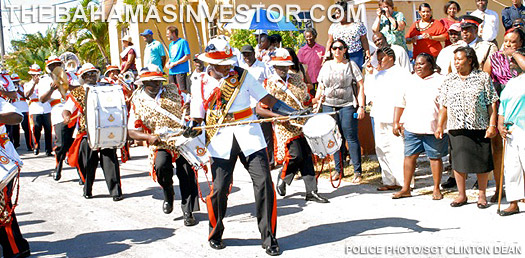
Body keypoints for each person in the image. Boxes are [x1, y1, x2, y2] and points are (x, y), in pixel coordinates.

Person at [187, 37, 307, 256]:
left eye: (228, 61)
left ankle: (269, 237)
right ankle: (215, 232)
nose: (228, 65)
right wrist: (191, 127)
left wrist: (291, 111)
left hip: (249, 136)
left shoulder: (242, 76)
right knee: (220, 189)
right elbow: (197, 117)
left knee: (264, 184)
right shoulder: (200, 83)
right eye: (223, 63)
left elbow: (267, 99)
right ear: (211, 63)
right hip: (221, 139)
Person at [127, 65, 199, 226]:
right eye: (152, 82)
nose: (157, 84)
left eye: (159, 81)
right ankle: (168, 191)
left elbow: (191, 105)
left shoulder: (173, 90)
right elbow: (131, 131)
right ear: (144, 83)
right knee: (161, 167)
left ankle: (188, 211)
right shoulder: (137, 101)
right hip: (159, 141)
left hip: (181, 139)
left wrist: (189, 109)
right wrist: (147, 137)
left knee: (187, 173)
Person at [258, 48, 328, 203]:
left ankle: (311, 191)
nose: (283, 69)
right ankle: (283, 176)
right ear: (274, 66)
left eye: (286, 66)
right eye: (280, 66)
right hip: (285, 126)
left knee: (307, 157)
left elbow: (306, 99)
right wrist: (278, 117)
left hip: (303, 122)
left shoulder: (297, 78)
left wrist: (317, 100)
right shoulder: (268, 84)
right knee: (295, 155)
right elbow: (261, 109)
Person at [436, 46, 499, 209]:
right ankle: (461, 194)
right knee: (459, 161)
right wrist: (439, 125)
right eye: (455, 59)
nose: (456, 63)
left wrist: (492, 124)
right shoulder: (449, 79)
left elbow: (491, 102)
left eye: (460, 59)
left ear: (470, 60)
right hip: (456, 126)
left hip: (479, 126)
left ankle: (482, 195)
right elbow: (444, 105)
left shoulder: (483, 77)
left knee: (482, 161)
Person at [63, 63, 123, 201]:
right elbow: (67, 109)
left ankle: (115, 192)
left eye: (93, 73)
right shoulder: (77, 92)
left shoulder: (107, 88)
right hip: (87, 132)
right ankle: (87, 188)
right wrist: (66, 116)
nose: (91, 76)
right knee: (88, 162)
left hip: (107, 130)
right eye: (87, 74)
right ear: (82, 77)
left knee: (110, 161)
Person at [392, 53, 448, 200]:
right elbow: (400, 103)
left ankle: (436, 188)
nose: (418, 66)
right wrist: (396, 122)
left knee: (434, 158)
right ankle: (405, 188)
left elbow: (444, 106)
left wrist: (440, 126)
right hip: (412, 127)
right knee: (409, 157)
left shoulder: (441, 80)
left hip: (433, 127)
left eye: (421, 64)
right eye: (416, 63)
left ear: (431, 65)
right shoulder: (409, 80)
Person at [483, 28, 525, 202]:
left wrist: (515, 54)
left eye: (512, 41)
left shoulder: (522, 57)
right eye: (506, 40)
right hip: (501, 107)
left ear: (521, 43)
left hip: (521, 108)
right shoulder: (494, 58)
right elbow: (485, 82)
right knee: (500, 151)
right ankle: (501, 188)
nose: (507, 44)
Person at [314, 39, 365, 183]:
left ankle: (357, 171)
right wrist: (317, 100)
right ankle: (338, 170)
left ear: (345, 50)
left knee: (350, 136)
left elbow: (361, 85)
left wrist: (361, 106)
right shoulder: (326, 66)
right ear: (331, 50)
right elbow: (321, 85)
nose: (337, 51)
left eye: (340, 48)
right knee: (334, 138)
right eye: (334, 48)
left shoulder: (351, 65)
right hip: (329, 105)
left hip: (347, 104)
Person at [365, 46, 413, 190]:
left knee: (398, 150)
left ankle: (404, 182)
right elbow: (370, 92)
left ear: (391, 58)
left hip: (395, 118)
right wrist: (369, 73)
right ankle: (388, 181)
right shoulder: (378, 74)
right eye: (378, 59)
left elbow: (406, 97)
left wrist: (402, 119)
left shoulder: (402, 73)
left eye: (382, 59)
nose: (379, 61)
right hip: (379, 115)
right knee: (382, 149)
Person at [39, 56, 81, 180]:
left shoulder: (71, 76)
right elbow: (42, 99)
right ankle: (58, 166)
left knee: (76, 142)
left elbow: (80, 90)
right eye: (53, 65)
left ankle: (81, 171)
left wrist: (66, 85)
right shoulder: (44, 80)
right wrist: (52, 88)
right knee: (61, 143)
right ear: (49, 67)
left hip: (74, 110)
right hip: (58, 112)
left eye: (58, 64)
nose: (56, 66)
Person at [0, 97, 31, 258]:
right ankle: (19, 245)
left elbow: (17, 116)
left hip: (1, 161)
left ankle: (15, 249)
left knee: (2, 206)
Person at [497, 49, 525, 216]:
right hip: (510, 129)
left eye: (515, 60)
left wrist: (513, 52)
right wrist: (500, 124)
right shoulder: (511, 83)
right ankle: (513, 202)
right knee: (512, 167)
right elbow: (503, 106)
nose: (512, 63)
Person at [240, 45, 275, 168]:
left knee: (266, 134)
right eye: (244, 55)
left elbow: (271, 82)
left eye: (249, 54)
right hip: (246, 106)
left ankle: (270, 161)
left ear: (254, 54)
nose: (247, 57)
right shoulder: (241, 69)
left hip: (261, 104)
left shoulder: (263, 67)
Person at [326, 0, 370, 69]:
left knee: (356, 76)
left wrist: (367, 53)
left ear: (345, 13)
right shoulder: (334, 26)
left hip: (356, 55)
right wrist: (327, 53)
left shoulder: (358, 24)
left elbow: (364, 39)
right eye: (336, 13)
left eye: (338, 13)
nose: (336, 16)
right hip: (340, 55)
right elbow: (330, 41)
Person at [5, 74, 31, 151]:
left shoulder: (23, 87)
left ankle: (29, 145)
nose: (15, 83)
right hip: (14, 109)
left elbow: (26, 96)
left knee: (26, 128)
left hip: (23, 108)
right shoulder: (8, 89)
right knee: (14, 129)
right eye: (13, 82)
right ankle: (15, 144)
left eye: (16, 82)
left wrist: (18, 90)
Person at [297, 27, 325, 93]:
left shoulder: (321, 49)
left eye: (310, 36)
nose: (309, 38)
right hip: (308, 80)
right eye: (307, 37)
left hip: (320, 78)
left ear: (315, 36)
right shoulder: (302, 51)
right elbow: (300, 65)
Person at [24, 64, 44, 154]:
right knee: (36, 129)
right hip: (35, 107)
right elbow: (27, 95)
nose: (36, 76)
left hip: (45, 106)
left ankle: (48, 149)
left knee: (48, 129)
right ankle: (36, 146)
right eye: (34, 74)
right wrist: (34, 84)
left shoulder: (44, 82)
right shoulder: (28, 84)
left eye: (37, 74)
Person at [166, 25, 191, 93]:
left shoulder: (183, 42)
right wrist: (168, 63)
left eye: (168, 34)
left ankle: (185, 102)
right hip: (172, 71)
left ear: (173, 33)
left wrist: (175, 63)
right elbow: (171, 58)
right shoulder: (170, 45)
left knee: (182, 90)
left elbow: (187, 56)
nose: (167, 35)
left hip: (181, 71)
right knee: (172, 90)